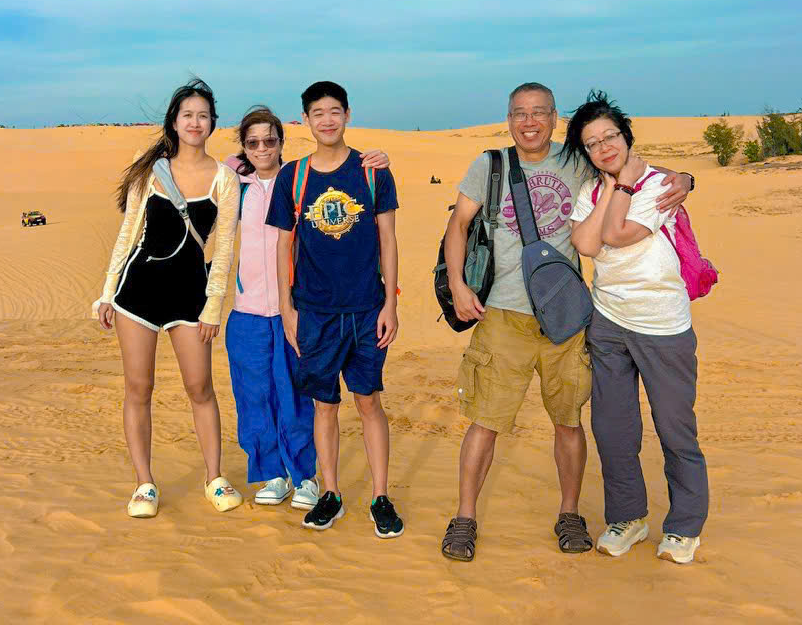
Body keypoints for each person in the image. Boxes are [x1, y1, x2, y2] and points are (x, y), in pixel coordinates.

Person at [440, 82, 692, 562]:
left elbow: (633, 167)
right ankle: (464, 517)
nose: (529, 122)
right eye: (520, 113)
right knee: (485, 422)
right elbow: (459, 225)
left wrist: (685, 177)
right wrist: (457, 283)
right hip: (502, 316)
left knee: (568, 422)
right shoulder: (489, 165)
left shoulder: (577, 161)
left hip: (566, 319)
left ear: (554, 118)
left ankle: (570, 514)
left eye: (539, 112)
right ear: (508, 119)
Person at [223, 105, 392, 512]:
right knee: (254, 395)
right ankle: (272, 473)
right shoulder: (232, 184)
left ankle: (304, 476)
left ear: (282, 141)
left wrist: (379, 158)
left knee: (298, 395)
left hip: (297, 307)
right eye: (252, 142)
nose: (262, 148)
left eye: (270, 140)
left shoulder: (297, 179)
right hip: (248, 307)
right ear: (243, 146)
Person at [567, 92, 708, 564]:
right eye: (592, 143)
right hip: (608, 321)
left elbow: (618, 235)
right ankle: (628, 518)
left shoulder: (661, 185)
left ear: (627, 137)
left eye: (610, 136)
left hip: (661, 325)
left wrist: (625, 185)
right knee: (613, 429)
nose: (603, 147)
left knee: (674, 429)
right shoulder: (592, 191)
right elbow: (587, 244)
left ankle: (684, 526)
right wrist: (611, 189)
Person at [93, 79, 242, 519]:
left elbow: (224, 249)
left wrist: (213, 306)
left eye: (203, 116)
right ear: (174, 122)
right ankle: (144, 484)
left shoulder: (224, 178)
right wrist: (107, 292)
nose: (195, 123)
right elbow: (129, 233)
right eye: (187, 115)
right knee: (139, 388)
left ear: (212, 123)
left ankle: (214, 478)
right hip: (137, 292)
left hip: (191, 294)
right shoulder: (151, 172)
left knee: (200, 387)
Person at [266, 81, 403, 538]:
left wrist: (390, 304)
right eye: (318, 113)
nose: (327, 120)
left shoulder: (373, 172)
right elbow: (283, 245)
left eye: (335, 111)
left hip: (366, 309)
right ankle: (331, 493)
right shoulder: (294, 176)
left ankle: (380, 496)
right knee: (324, 405)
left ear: (347, 114)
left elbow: (388, 240)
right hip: (314, 311)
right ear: (306, 120)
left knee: (369, 401)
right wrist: (286, 307)